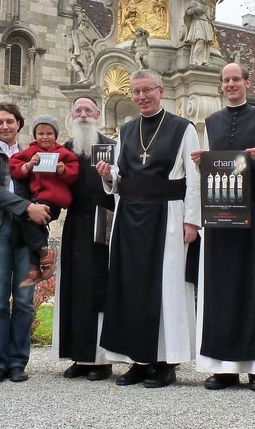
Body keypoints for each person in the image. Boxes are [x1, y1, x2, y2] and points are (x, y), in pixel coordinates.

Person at [96, 69, 200, 388]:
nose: (141, 97)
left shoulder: (183, 128)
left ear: (161, 91)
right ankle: (137, 360)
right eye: (136, 92)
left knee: (167, 286)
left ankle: (166, 362)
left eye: (147, 90)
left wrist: (192, 220)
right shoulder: (127, 130)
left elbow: (194, 178)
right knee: (130, 286)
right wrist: (108, 175)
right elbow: (121, 174)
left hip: (168, 215)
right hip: (130, 216)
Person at [191, 63, 255, 392]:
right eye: (226, 80)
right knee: (219, 288)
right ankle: (222, 367)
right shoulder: (211, 122)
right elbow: (209, 170)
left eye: (236, 79)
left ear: (247, 82)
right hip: (219, 213)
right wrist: (201, 163)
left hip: (253, 209)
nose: (231, 84)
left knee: (254, 286)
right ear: (221, 85)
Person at [0, 103, 51, 385]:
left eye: (10, 121)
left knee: (25, 301)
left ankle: (18, 362)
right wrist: (27, 207)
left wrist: (45, 208)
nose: (4, 126)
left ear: (19, 124)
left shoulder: (33, 155)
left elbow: (47, 189)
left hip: (27, 234)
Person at [53, 97, 114, 381]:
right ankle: (79, 355)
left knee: (98, 286)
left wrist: (110, 178)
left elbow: (121, 185)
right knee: (75, 286)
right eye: (78, 110)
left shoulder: (111, 148)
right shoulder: (64, 150)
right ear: (71, 115)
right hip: (76, 221)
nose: (83, 114)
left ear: (98, 114)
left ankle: (101, 360)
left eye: (88, 109)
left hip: (104, 219)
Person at [9, 115, 80, 287]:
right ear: (35, 135)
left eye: (49, 133)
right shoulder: (31, 151)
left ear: (55, 135)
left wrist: (63, 170)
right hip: (37, 198)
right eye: (40, 134)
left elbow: (74, 172)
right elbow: (14, 166)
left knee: (24, 215)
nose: (45, 137)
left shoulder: (62, 153)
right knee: (33, 227)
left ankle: (44, 253)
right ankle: (35, 269)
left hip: (53, 200)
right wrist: (28, 165)